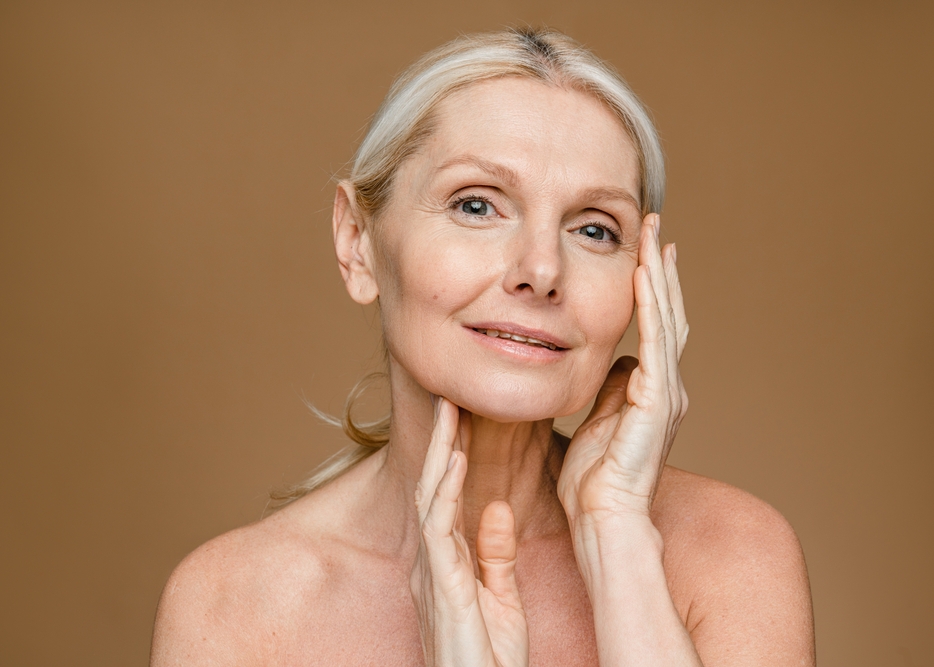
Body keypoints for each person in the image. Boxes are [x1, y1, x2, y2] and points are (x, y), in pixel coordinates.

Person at [150, 28, 815, 666]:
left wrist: (618, 542)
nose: (542, 268)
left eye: (594, 229)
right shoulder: (232, 605)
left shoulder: (732, 555)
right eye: (476, 205)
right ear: (357, 240)